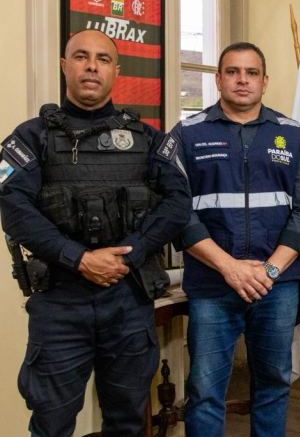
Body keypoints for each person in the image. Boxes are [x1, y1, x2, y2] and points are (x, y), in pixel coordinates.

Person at [0, 29, 191, 437]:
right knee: (50, 423)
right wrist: (79, 258)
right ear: (64, 65)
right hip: (60, 302)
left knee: (127, 421)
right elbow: (14, 209)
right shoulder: (31, 137)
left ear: (116, 71)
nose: (91, 66)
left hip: (127, 297)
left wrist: (132, 252)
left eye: (103, 59)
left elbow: (178, 202)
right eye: (81, 57)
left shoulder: (148, 139)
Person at [170, 42, 300, 436]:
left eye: (251, 72)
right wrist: (230, 268)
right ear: (218, 80)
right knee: (204, 391)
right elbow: (176, 212)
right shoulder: (187, 134)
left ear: (264, 81)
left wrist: (268, 271)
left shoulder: (293, 135)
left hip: (277, 286)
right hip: (211, 284)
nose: (242, 80)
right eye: (233, 72)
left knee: (273, 384)